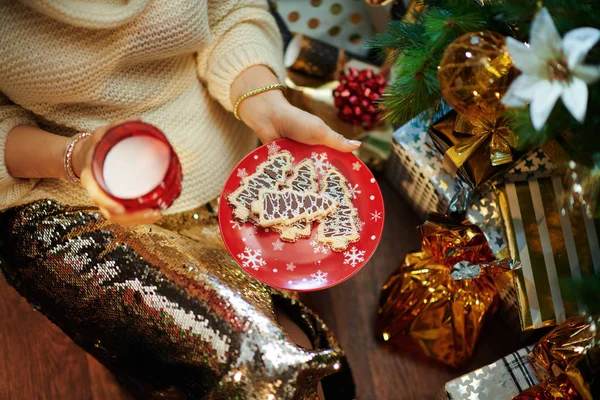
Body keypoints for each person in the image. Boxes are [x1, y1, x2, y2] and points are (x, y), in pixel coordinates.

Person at [0, 1, 357, 398]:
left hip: (223, 148)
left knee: (294, 367)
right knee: (260, 371)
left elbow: (231, 14)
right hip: (68, 201)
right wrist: (79, 157)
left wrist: (265, 105)